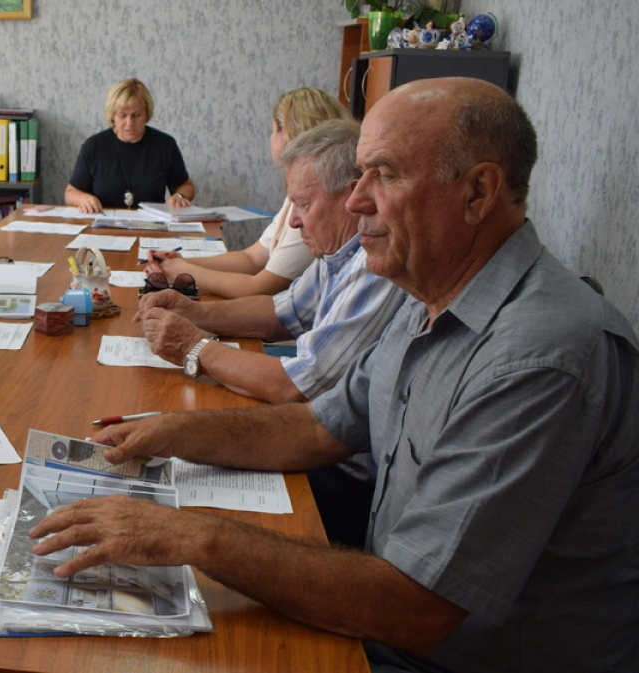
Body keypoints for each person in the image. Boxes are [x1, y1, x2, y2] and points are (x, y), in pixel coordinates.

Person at [29, 78, 639, 673]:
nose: (354, 200)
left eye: (387, 174)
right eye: (360, 173)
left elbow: (418, 608)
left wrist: (191, 538)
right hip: (393, 619)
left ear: (478, 192)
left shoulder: (538, 356)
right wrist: (168, 432)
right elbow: (320, 428)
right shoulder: (427, 293)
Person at [139, 119, 407, 547]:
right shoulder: (341, 251)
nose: (295, 222)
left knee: (178, 493)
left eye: (303, 204)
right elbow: (279, 313)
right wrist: (195, 312)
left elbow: (296, 388)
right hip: (318, 445)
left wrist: (194, 346)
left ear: (352, 194)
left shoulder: (375, 266)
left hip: (344, 477)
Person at [146, 88, 350, 298]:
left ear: (287, 134)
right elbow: (251, 258)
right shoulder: (297, 197)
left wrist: (185, 272)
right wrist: (181, 261)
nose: (271, 137)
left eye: (273, 130)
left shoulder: (314, 207)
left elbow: (260, 287)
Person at [64, 78, 195, 213]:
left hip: (152, 225)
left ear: (147, 114)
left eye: (136, 115)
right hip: (104, 225)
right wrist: (84, 199)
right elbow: (71, 193)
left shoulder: (165, 145)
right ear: (113, 115)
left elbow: (186, 186)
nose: (129, 122)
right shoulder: (93, 146)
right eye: (122, 115)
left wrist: (180, 196)